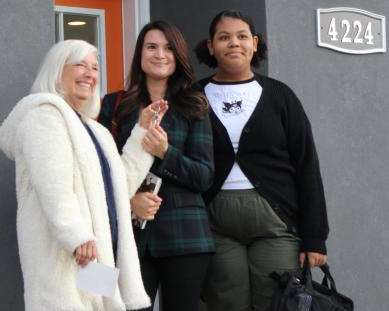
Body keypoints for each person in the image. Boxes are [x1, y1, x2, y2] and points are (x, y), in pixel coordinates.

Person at [0, 39, 168, 311]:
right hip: (67, 254)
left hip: (95, 257)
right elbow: (53, 186)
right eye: (80, 65)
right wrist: (76, 235)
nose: (90, 74)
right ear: (56, 71)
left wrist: (141, 133)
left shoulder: (95, 130)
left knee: (100, 305)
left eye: (95, 67)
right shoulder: (44, 116)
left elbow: (118, 187)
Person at [194, 10, 329, 311]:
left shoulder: (281, 96)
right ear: (211, 45)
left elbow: (307, 166)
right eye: (224, 37)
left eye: (242, 36)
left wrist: (315, 237)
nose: (234, 43)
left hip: (276, 221)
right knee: (225, 302)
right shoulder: (193, 97)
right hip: (214, 222)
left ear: (255, 44)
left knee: (278, 301)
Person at [98, 21, 214, 311]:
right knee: (115, 305)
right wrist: (129, 201)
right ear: (140, 54)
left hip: (186, 237)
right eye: (151, 47)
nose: (160, 54)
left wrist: (165, 152)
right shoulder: (114, 104)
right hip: (127, 237)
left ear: (179, 56)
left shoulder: (194, 104)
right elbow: (99, 169)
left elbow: (204, 176)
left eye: (168, 48)